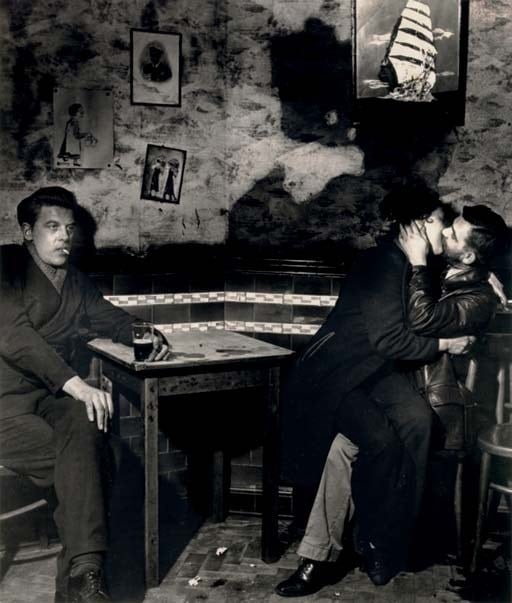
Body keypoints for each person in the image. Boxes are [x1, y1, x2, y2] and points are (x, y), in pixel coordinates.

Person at [277, 187, 510, 596]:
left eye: (454, 231)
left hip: (381, 376)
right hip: (338, 375)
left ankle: (385, 540)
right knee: (370, 441)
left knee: (417, 422)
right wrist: (445, 344)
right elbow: (394, 340)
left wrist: (488, 274)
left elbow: (451, 287)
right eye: (444, 223)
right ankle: (326, 553)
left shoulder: (425, 266)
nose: (447, 232)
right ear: (421, 225)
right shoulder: (383, 263)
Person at [0, 187, 170, 602]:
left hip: (46, 402)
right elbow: (14, 334)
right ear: (27, 231)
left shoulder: (75, 282)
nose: (64, 237)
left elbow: (108, 318)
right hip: (3, 407)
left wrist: (145, 332)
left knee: (84, 424)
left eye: (69, 229)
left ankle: (82, 575)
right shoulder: (4, 266)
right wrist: (75, 383)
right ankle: (84, 578)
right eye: (52, 227)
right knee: (95, 455)